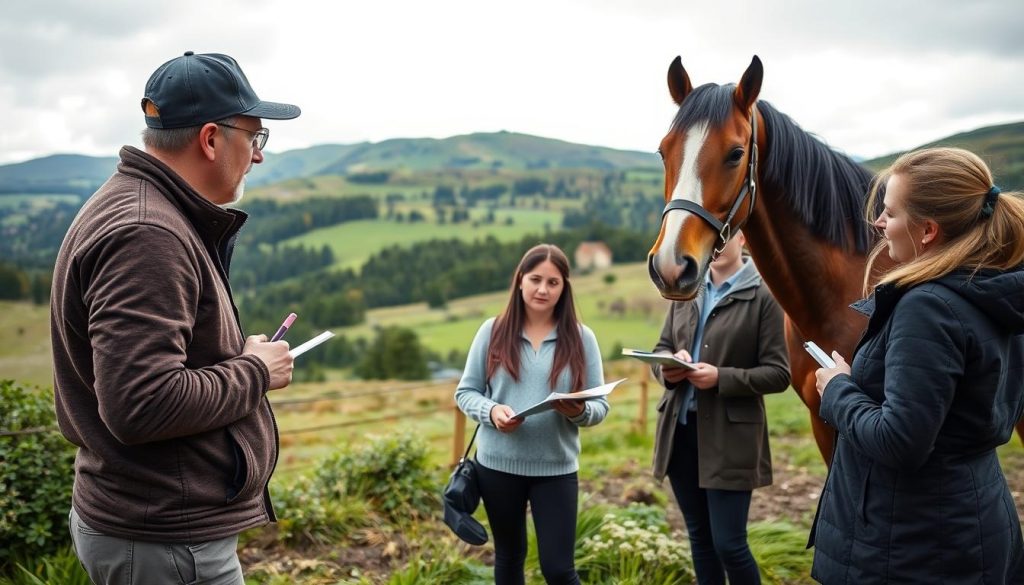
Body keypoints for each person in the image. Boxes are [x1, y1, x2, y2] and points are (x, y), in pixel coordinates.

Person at [50, 51, 301, 585]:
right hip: (165, 539)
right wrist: (256, 372)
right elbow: (141, 404)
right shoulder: (148, 233)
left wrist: (233, 358)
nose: (257, 157)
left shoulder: (137, 206)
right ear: (211, 139)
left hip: (154, 526)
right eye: (255, 138)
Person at [810, 147, 1024, 583]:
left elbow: (900, 441)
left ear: (927, 230)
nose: (879, 223)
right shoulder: (991, 291)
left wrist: (837, 389)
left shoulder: (928, 308)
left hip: (913, 547)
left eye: (890, 213)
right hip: (967, 523)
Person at [455, 243, 608, 585]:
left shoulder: (583, 339)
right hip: (497, 467)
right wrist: (492, 411)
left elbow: (601, 407)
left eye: (553, 283)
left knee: (559, 569)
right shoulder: (491, 331)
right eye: (536, 279)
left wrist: (580, 411)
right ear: (520, 280)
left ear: (564, 287)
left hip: (556, 469)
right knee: (509, 559)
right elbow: (465, 393)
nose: (543, 289)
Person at [649, 231, 790, 585]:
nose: (712, 245)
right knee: (700, 538)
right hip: (680, 433)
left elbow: (778, 373)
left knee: (729, 544)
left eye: (722, 238)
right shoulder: (688, 288)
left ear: (743, 238)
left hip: (730, 439)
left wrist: (721, 378)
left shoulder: (765, 295)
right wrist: (668, 364)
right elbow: (662, 347)